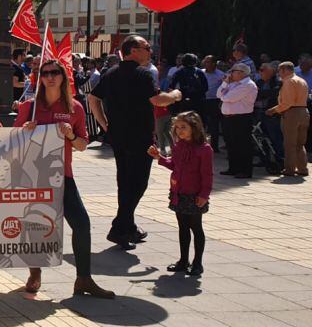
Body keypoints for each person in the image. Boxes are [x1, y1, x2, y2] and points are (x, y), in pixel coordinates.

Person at [18, 59, 114, 298]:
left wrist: (70, 134)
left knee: (81, 223)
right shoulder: (28, 107)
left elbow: (82, 145)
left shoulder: (75, 108)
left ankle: (83, 279)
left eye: (55, 73)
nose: (50, 77)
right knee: (35, 225)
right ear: (39, 78)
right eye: (45, 73)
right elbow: (11, 142)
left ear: (63, 77)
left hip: (62, 175)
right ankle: (35, 273)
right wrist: (24, 131)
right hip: (32, 176)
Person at [88, 36, 182, 250]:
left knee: (125, 181)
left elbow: (93, 99)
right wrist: (175, 95)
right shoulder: (143, 74)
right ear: (132, 50)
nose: (150, 51)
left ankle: (128, 227)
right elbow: (158, 100)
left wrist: (105, 125)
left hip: (118, 136)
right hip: (139, 137)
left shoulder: (110, 73)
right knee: (138, 182)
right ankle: (119, 228)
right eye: (146, 47)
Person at [148, 111, 212, 276]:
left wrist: (204, 195)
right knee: (183, 227)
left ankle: (198, 262)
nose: (179, 131)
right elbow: (174, 165)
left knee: (196, 227)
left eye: (183, 127)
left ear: (194, 127)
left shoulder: (204, 149)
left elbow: (207, 175)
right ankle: (183, 260)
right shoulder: (178, 146)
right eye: (177, 128)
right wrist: (159, 157)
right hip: (179, 193)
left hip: (195, 195)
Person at [268, 62, 309, 177]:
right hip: (304, 111)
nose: (279, 74)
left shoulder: (288, 82)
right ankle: (302, 168)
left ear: (285, 70)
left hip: (292, 113)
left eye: (279, 71)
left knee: (289, 143)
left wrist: (274, 110)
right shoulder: (301, 80)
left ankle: (289, 169)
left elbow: (287, 102)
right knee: (300, 144)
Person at [217, 63, 258, 178]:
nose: (230, 74)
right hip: (229, 118)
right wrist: (225, 83)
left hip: (241, 118)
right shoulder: (233, 84)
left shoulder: (248, 85)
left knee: (243, 145)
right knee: (231, 144)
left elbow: (228, 97)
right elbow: (218, 93)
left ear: (241, 73)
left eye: (232, 72)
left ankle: (245, 170)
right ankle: (233, 168)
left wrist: (224, 95)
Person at [254, 61, 283, 162]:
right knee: (261, 138)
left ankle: (280, 160)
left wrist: (261, 94)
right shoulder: (259, 82)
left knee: (275, 137)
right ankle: (264, 160)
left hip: (272, 114)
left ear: (271, 71)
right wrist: (262, 94)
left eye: (262, 70)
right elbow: (254, 95)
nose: (260, 72)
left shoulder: (278, 82)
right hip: (258, 113)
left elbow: (274, 94)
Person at [201, 55, 225, 152]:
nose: (206, 64)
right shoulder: (200, 72)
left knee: (214, 125)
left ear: (214, 63)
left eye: (208, 62)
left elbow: (225, 89)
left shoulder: (221, 75)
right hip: (202, 100)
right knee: (201, 123)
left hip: (214, 101)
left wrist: (222, 102)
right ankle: (201, 145)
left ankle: (214, 147)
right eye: (205, 62)